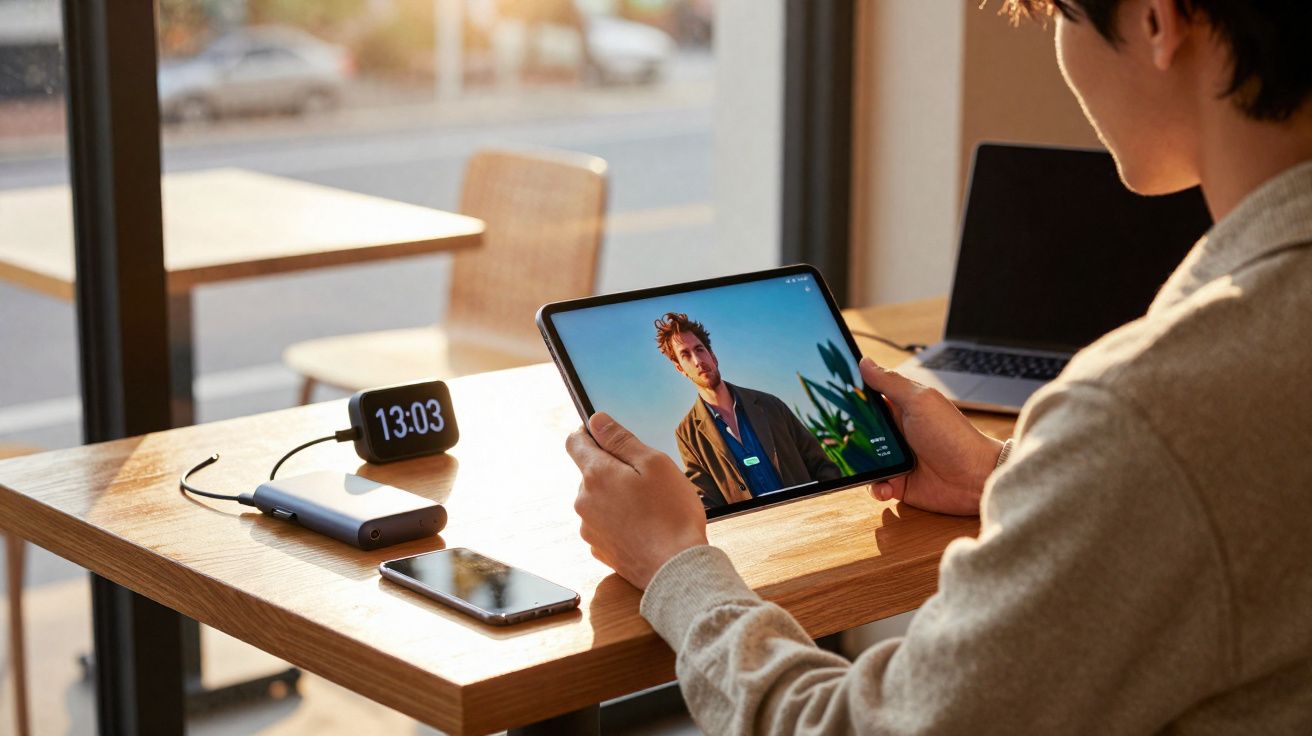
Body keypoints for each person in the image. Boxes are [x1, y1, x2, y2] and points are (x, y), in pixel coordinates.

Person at [566, 0, 1312, 732]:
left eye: (1060, 16)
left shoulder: (1146, 415)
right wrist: (1006, 475)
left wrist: (675, 567)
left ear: (1156, 20)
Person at [653, 312, 842, 507]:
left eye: (699, 349)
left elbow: (822, 466)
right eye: (685, 355)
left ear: (713, 356)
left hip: (809, 513)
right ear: (680, 369)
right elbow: (706, 502)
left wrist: (828, 507)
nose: (697, 360)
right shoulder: (687, 434)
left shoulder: (770, 405)